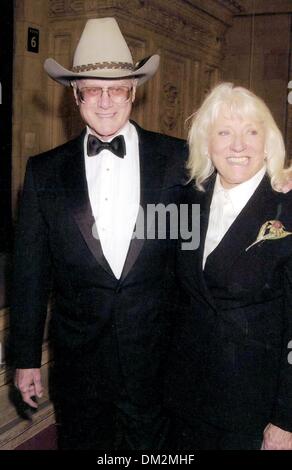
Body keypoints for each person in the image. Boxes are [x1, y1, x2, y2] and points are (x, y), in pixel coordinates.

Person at [10, 17, 187, 450]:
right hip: (80, 366)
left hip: (158, 364)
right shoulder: (44, 172)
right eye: (92, 88)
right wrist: (25, 358)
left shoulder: (176, 160)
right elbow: (30, 275)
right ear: (75, 95)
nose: (106, 101)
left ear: (134, 91)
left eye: (118, 88)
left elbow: (192, 254)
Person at [166, 82, 292, 450]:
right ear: (206, 143)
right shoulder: (188, 201)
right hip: (185, 398)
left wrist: (286, 419)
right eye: (224, 132)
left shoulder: (286, 208)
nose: (239, 146)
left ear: (268, 142)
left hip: (253, 406)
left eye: (251, 132)